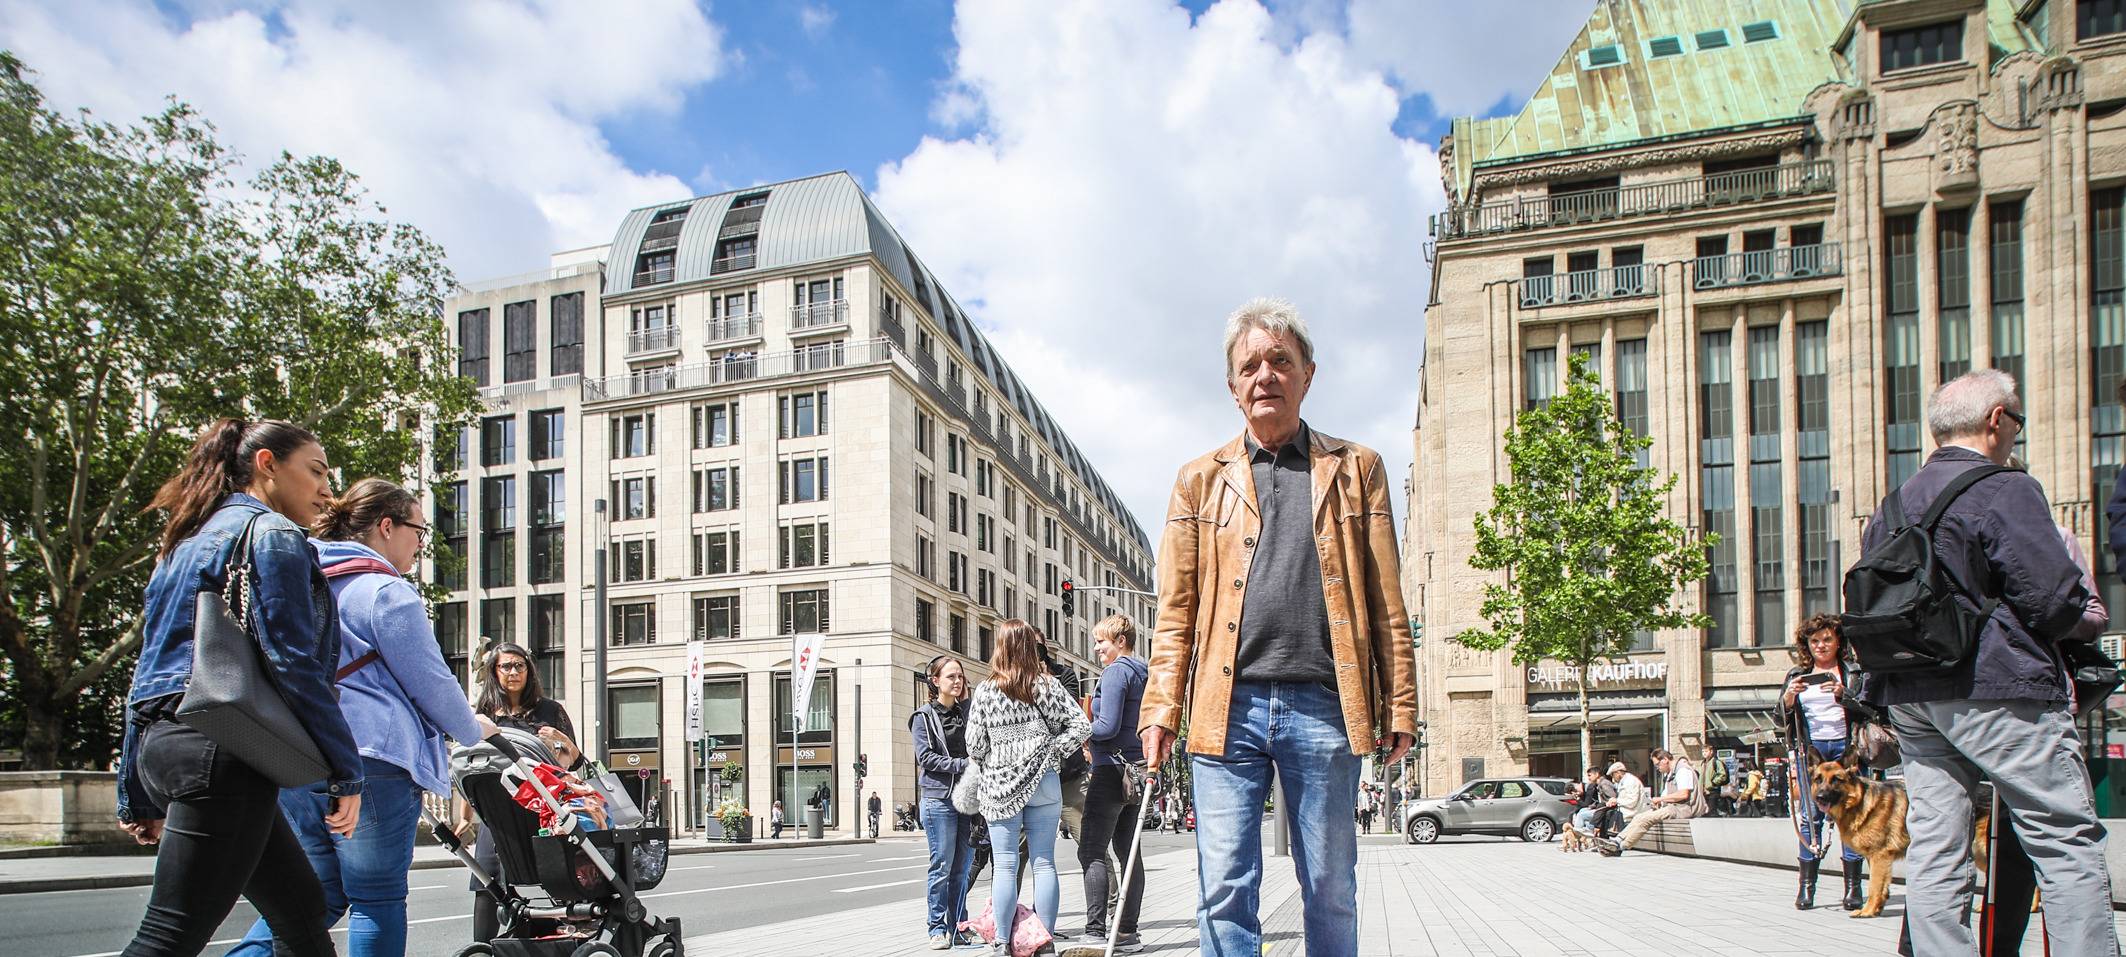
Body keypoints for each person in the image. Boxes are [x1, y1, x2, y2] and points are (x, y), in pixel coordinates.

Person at [1140, 299, 1419, 957]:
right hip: (1222, 708)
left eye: (1280, 360)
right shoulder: (1197, 481)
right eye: (1251, 364)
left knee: (1330, 885)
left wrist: (1400, 700)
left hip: (1325, 703)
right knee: (1224, 889)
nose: (1266, 373)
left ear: (1307, 374)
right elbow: (1175, 613)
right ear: (1233, 387)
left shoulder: (1357, 469)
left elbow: (1386, 600)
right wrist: (1160, 707)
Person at [1861, 370, 2116, 955]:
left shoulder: (1894, 503)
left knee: (1935, 846)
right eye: (2016, 422)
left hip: (1913, 694)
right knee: (2062, 837)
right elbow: (2054, 598)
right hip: (1999, 687)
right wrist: (2084, 623)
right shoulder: (2004, 488)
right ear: (1997, 419)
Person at [117, 419, 363, 957]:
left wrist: (134, 788)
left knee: (301, 916)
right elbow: (292, 664)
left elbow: (149, 674)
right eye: (316, 471)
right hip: (224, 751)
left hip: (175, 744)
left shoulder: (183, 543)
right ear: (267, 465)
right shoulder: (272, 535)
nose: (327, 489)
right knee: (167, 936)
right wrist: (347, 770)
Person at [228, 480, 495, 957]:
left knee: (316, 892)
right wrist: (474, 729)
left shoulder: (295, 583)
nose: (420, 543)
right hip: (370, 758)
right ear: (386, 526)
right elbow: (430, 681)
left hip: (293, 755)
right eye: (418, 529)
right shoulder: (384, 592)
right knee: (377, 897)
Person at [969, 620, 1092, 956]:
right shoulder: (1048, 686)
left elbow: (974, 744)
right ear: (1030, 648)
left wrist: (995, 754)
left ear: (1000, 648)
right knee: (1044, 862)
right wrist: (1054, 749)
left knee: (1006, 865)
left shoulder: (986, 690)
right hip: (1044, 781)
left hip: (1000, 786)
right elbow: (1082, 725)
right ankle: (1045, 940)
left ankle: (1002, 942)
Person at [466, 642, 584, 944]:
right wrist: (467, 814)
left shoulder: (550, 710)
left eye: (520, 665)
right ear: (495, 671)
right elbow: (471, 762)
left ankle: (553, 942)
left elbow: (574, 760)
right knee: (486, 878)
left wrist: (559, 740)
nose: (514, 672)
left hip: (540, 806)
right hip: (497, 808)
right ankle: (482, 947)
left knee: (549, 876)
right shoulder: (485, 713)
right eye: (506, 666)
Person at [1774, 614, 1878, 911]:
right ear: (1807, 644)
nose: (1821, 645)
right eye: (1814, 641)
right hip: (1813, 753)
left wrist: (1843, 695)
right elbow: (1779, 718)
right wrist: (1789, 700)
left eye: (1827, 639)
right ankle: (1807, 889)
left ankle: (1853, 889)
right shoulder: (1797, 674)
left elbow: (1873, 710)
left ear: (1838, 641)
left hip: (1849, 753)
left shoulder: (1852, 672)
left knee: (1853, 816)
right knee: (1810, 817)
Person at [1075, 615, 1149, 952]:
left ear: (1120, 640)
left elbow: (1106, 726)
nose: (1096, 647)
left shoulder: (1118, 671)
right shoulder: (1142, 671)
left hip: (1110, 772)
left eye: (1101, 641)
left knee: (1091, 850)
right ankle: (1128, 934)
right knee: (1129, 854)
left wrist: (1079, 730)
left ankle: (1094, 931)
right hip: (1136, 771)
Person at [912, 654, 976, 950]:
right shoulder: (923, 717)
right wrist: (962, 765)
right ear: (935, 681)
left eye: (960, 676)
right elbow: (925, 759)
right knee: (942, 866)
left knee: (962, 867)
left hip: (968, 799)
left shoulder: (967, 713)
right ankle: (937, 928)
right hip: (939, 800)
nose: (957, 681)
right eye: (951, 676)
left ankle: (959, 926)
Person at [1598, 749, 1698, 856]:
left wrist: (1660, 799)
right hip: (1674, 808)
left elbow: (1683, 794)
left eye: (1657, 765)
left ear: (1665, 760)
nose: (1657, 769)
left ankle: (1619, 846)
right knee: (1639, 817)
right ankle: (1618, 841)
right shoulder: (1672, 773)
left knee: (1645, 819)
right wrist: (1660, 802)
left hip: (1684, 809)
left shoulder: (1683, 771)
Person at [1570, 767, 1605, 836]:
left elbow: (1610, 798)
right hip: (1599, 809)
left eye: (1590, 775)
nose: (1589, 778)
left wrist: (1578, 799)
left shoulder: (1602, 784)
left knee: (1581, 815)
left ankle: (1578, 835)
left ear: (1597, 774)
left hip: (1603, 810)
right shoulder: (1596, 785)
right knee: (1582, 812)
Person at [1700, 745, 1730, 817]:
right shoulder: (1703, 763)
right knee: (1705, 813)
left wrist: (1713, 783)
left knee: (1712, 812)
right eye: (1703, 751)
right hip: (1704, 791)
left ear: (1711, 752)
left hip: (1713, 790)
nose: (1704, 753)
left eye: (1706, 751)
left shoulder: (1716, 762)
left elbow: (1722, 774)